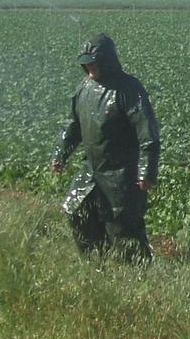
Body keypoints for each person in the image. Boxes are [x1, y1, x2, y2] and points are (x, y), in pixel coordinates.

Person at [51, 32, 160, 263]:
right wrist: (61, 152)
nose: (90, 68)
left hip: (120, 173)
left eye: (93, 63)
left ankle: (137, 275)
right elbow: (73, 125)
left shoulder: (128, 89)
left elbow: (147, 131)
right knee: (76, 211)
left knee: (122, 228)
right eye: (86, 64)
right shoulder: (84, 88)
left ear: (107, 61)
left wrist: (146, 171)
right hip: (91, 169)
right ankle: (97, 262)